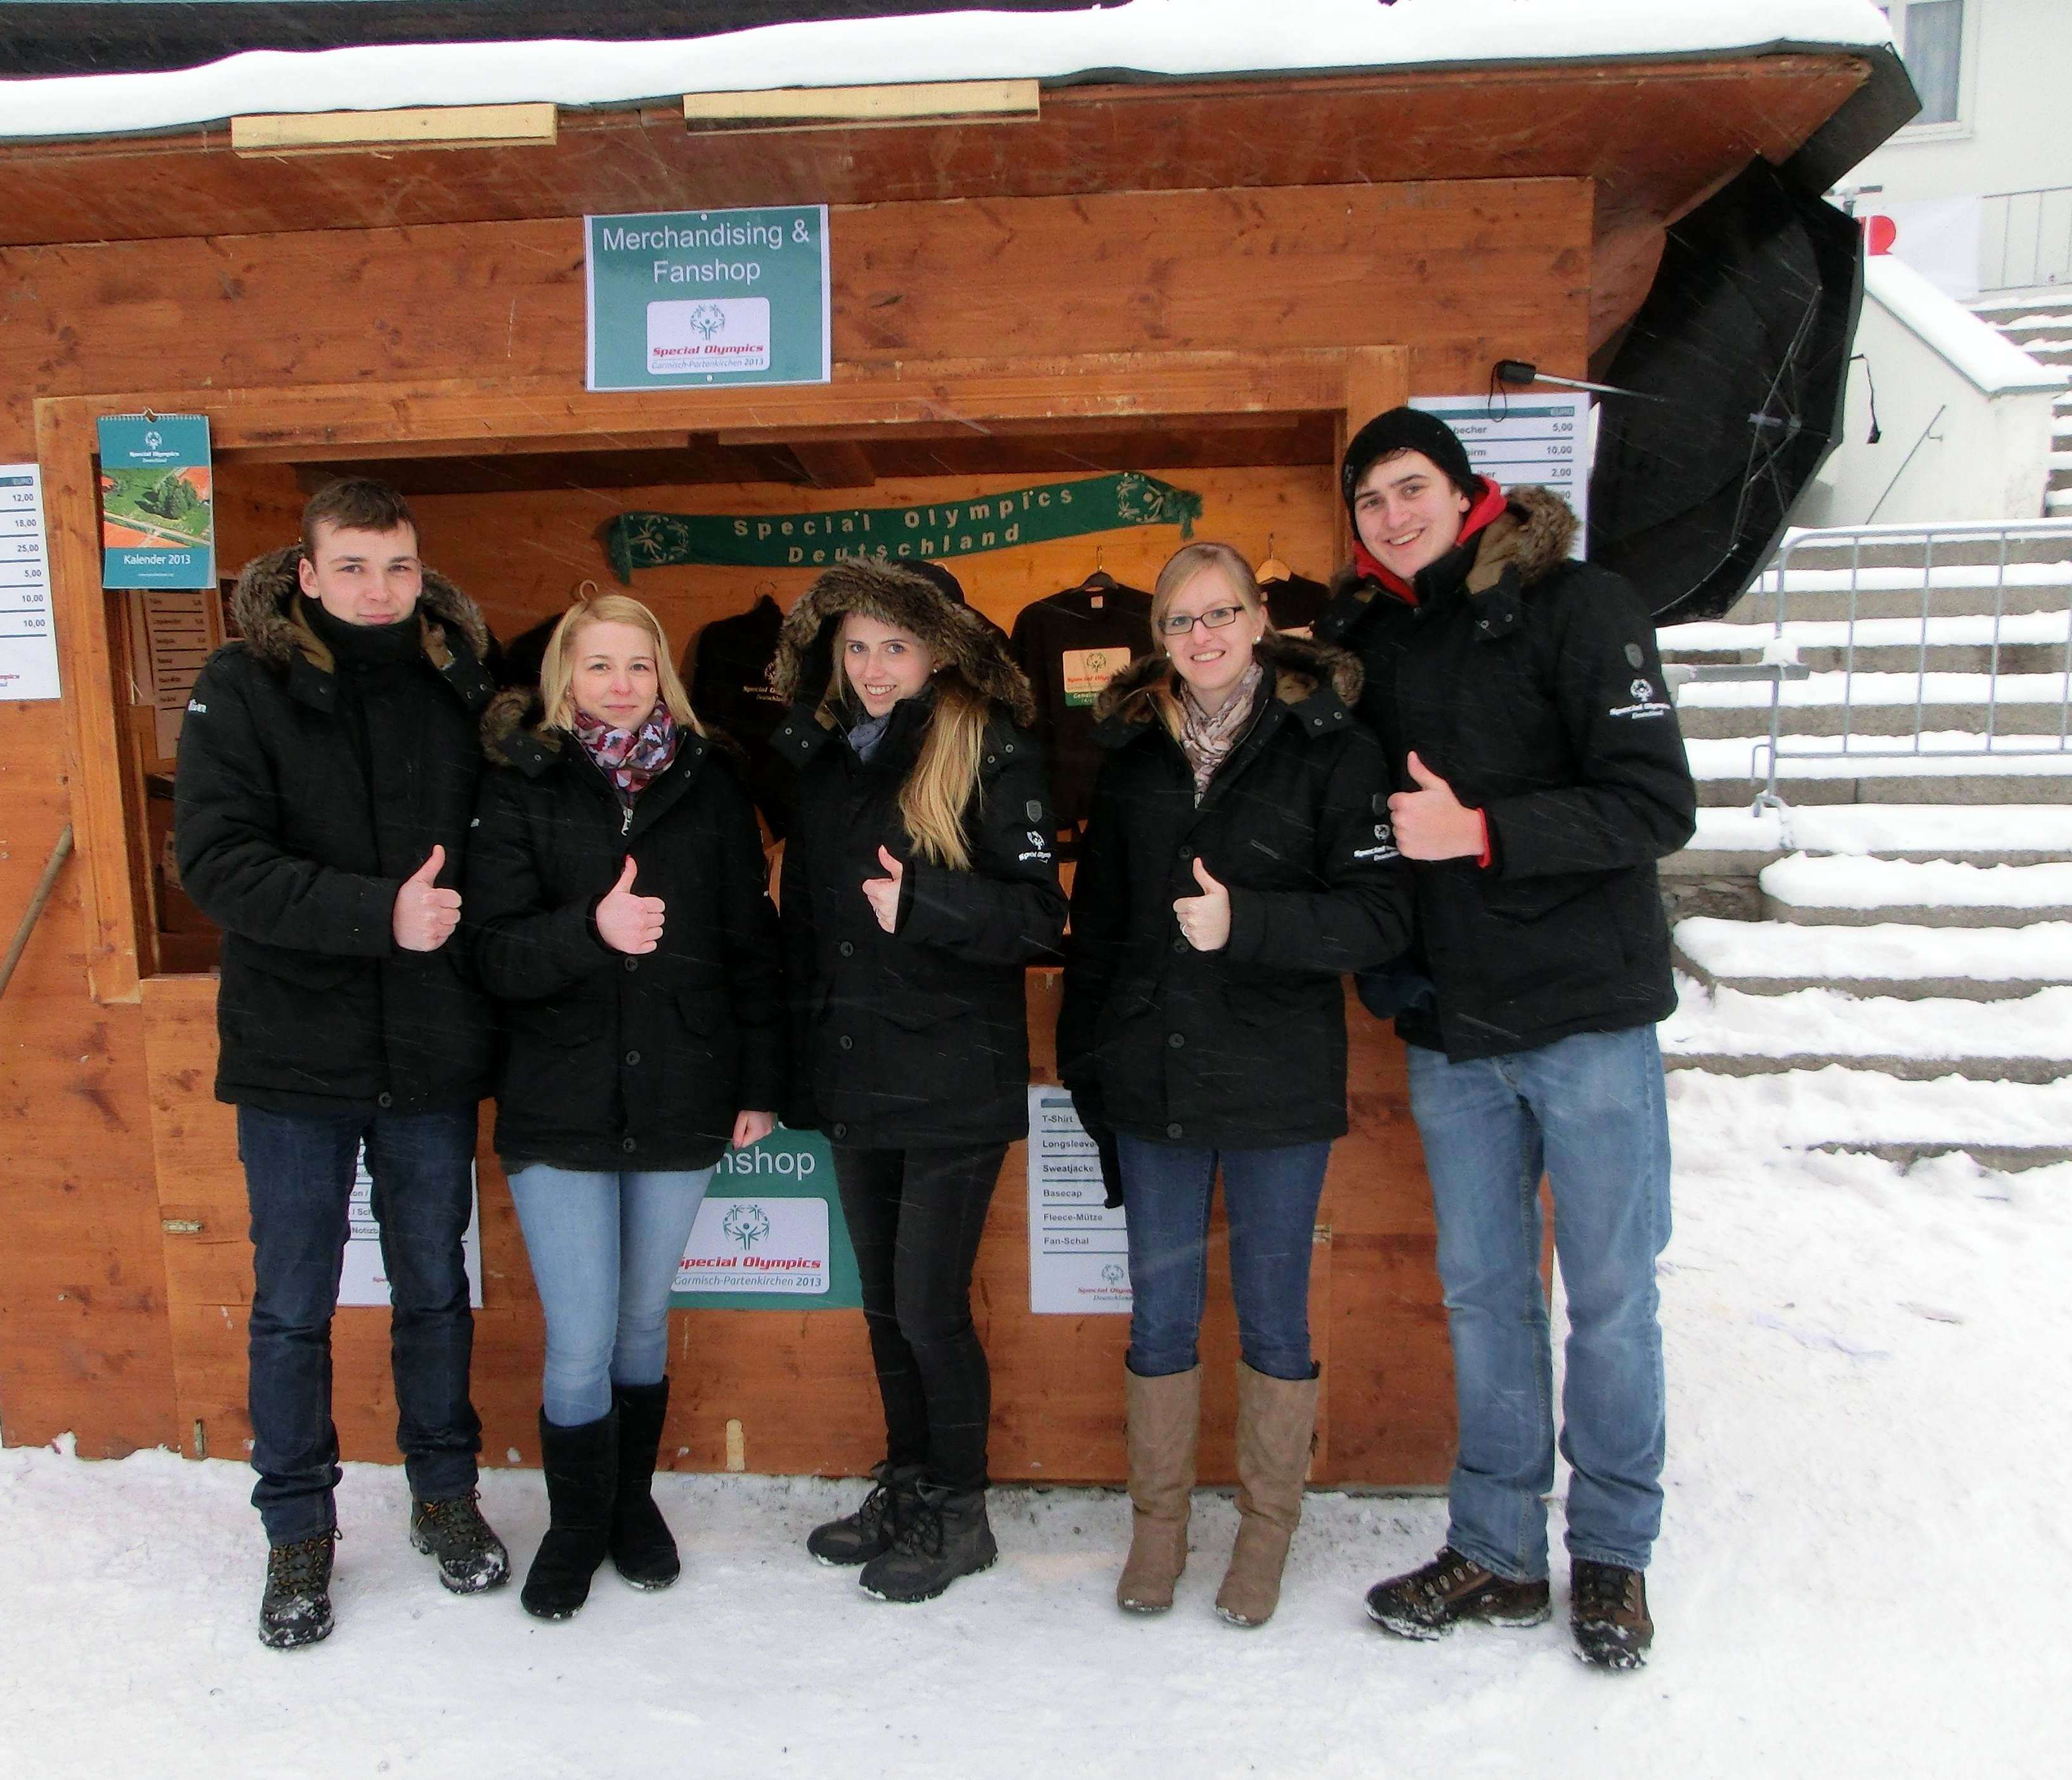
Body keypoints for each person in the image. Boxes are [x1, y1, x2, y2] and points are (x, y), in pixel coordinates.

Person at [1319, 408, 1696, 1672]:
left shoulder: (1578, 605)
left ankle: (1612, 1553)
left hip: (1584, 1018)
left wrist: (1484, 831)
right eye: (1366, 500)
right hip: (1449, 1027)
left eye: (1407, 487)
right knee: (1484, 1298)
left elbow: (1653, 802)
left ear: (1465, 488)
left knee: (1607, 1294)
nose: (1389, 515)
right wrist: (1385, 969)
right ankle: (1493, 1548)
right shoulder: (1359, 638)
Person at [175, 476, 504, 1651]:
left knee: (433, 1288)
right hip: (294, 1060)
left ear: (424, 576)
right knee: (293, 1306)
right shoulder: (242, 687)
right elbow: (213, 862)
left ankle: (445, 1497)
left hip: (428, 1048)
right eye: (354, 567)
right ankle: (298, 1531)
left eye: (399, 568)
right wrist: (379, 915)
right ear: (306, 576)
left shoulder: (462, 686)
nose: (380, 589)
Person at [1059, 543, 1412, 1628]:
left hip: (1273, 1085)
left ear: (1262, 620)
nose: (1202, 638)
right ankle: (1158, 1531)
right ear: (1157, 639)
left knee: (1273, 1319)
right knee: (1162, 1317)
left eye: (1221, 615)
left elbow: (1380, 918)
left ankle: (1265, 1533)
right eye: (1180, 622)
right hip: (1155, 1079)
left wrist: (1248, 922)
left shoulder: (1330, 751)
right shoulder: (1132, 762)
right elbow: (1103, 936)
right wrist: (1092, 1067)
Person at [464, 591, 785, 1621]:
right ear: (564, 678)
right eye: (597, 666)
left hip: (683, 1087)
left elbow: (750, 943)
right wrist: (590, 930)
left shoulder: (711, 786)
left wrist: (758, 1081)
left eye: (637, 667)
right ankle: (574, 1523)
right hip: (559, 1099)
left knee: (642, 1324)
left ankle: (628, 1505)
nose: (618, 684)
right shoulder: (522, 785)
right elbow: (493, 954)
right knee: (583, 1331)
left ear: (664, 679)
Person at [769, 557, 1066, 1604]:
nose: (874, 667)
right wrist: (794, 1071)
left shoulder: (988, 746)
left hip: (951, 1076)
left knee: (930, 1307)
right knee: (887, 1311)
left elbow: (1040, 919)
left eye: (896, 645)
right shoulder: (825, 758)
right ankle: (908, 1485)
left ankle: (959, 1509)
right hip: (857, 1072)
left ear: (939, 649)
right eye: (857, 647)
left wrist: (929, 906)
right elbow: (803, 927)